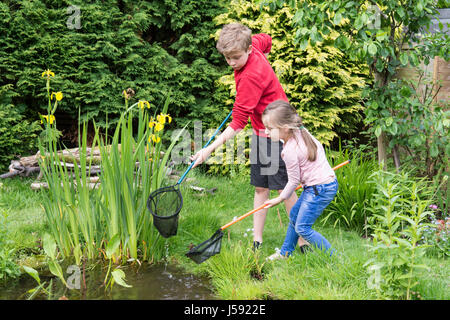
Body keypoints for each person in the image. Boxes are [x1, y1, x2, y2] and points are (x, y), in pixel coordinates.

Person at [191, 23, 307, 250]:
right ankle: (257, 239)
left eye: (236, 57)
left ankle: (302, 241)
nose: (232, 63)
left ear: (248, 50)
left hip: (278, 132)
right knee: (261, 188)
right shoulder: (254, 44)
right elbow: (268, 39)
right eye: (227, 58)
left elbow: (236, 124)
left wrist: (207, 151)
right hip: (261, 131)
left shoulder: (250, 78)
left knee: (285, 188)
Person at [261, 100, 338, 260]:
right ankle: (285, 253)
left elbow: (293, 181)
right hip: (323, 185)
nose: (266, 132)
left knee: (302, 228)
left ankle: (337, 259)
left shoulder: (289, 151)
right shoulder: (302, 131)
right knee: (295, 216)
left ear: (285, 128)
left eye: (270, 128)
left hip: (319, 189)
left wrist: (280, 198)